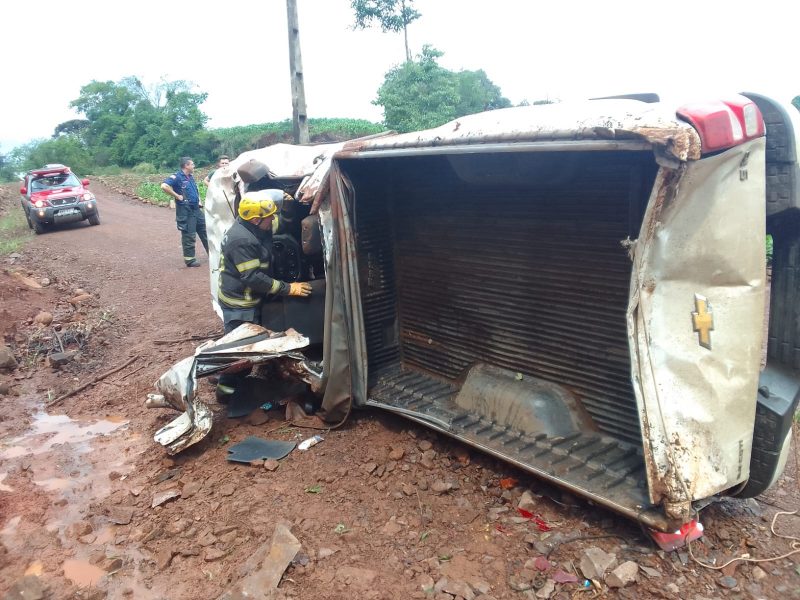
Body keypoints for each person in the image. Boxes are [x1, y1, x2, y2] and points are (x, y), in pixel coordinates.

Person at [215, 193, 312, 400]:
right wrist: (288, 288)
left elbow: (277, 232)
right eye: (270, 217)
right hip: (240, 304)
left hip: (248, 299)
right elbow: (253, 278)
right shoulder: (241, 240)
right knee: (240, 349)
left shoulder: (254, 228)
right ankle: (227, 392)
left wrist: (286, 207)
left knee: (247, 345)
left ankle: (230, 375)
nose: (273, 220)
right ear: (256, 219)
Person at [161, 157, 209, 267]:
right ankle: (190, 260)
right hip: (186, 211)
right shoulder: (177, 177)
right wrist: (177, 196)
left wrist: (199, 201)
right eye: (192, 164)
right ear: (186, 166)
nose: (194, 166)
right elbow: (164, 186)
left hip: (196, 209)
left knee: (205, 231)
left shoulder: (190, 177)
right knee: (189, 235)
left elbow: (194, 191)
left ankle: (212, 254)